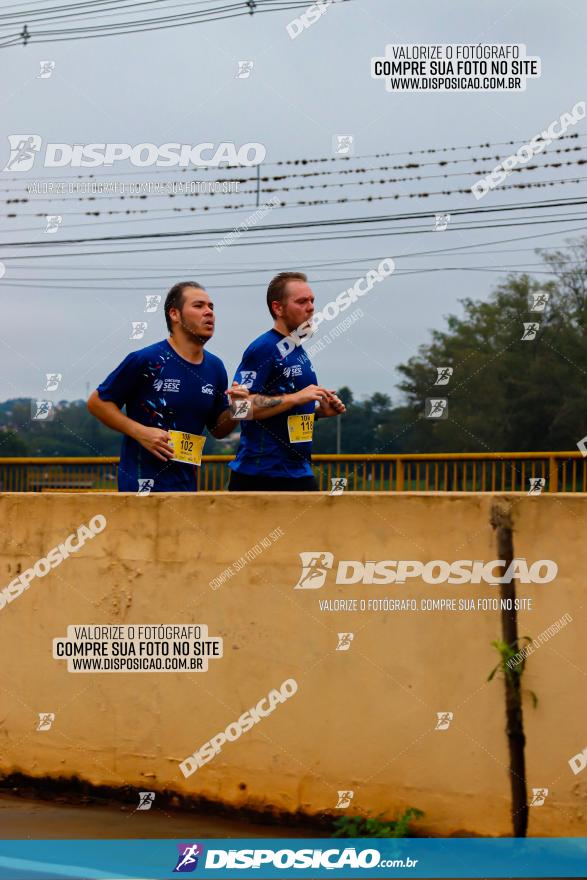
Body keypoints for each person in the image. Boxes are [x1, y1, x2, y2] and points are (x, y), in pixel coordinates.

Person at [87, 281, 245, 492]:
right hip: (141, 487)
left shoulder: (215, 367)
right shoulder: (146, 360)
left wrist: (239, 408)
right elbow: (97, 403)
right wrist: (141, 432)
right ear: (175, 314)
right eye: (198, 306)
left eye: (211, 307)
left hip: (187, 489)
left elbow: (218, 431)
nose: (209, 313)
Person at [228, 271, 345, 491]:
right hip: (261, 475)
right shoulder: (264, 348)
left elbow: (285, 413)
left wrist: (318, 412)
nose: (310, 307)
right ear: (278, 308)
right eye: (301, 301)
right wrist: (296, 398)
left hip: (299, 471)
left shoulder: (298, 350)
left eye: (312, 301)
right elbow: (238, 408)